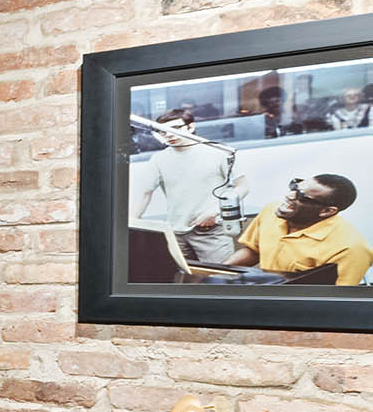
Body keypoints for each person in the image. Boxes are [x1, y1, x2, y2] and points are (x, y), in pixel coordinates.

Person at [129, 116, 244, 263]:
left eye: (175, 128)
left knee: (219, 277)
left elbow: (242, 187)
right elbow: (145, 193)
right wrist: (133, 223)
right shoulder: (159, 159)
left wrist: (215, 211)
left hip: (211, 231)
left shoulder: (218, 152)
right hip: (176, 232)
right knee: (181, 279)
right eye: (163, 132)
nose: (169, 134)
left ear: (191, 127)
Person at [225, 173, 372, 285]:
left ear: (327, 211)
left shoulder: (350, 249)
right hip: (266, 294)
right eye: (294, 187)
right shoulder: (271, 210)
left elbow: (336, 300)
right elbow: (254, 250)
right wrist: (212, 273)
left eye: (302, 197)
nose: (289, 196)